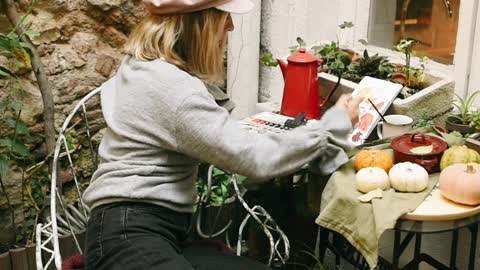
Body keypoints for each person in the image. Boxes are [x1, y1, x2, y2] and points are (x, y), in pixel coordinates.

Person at [82, 0, 362, 269]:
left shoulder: (146, 68)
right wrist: (331, 126)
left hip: (151, 231)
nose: (230, 26)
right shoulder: (172, 88)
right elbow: (253, 158)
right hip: (128, 235)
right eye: (223, 16)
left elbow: (216, 134)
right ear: (199, 24)